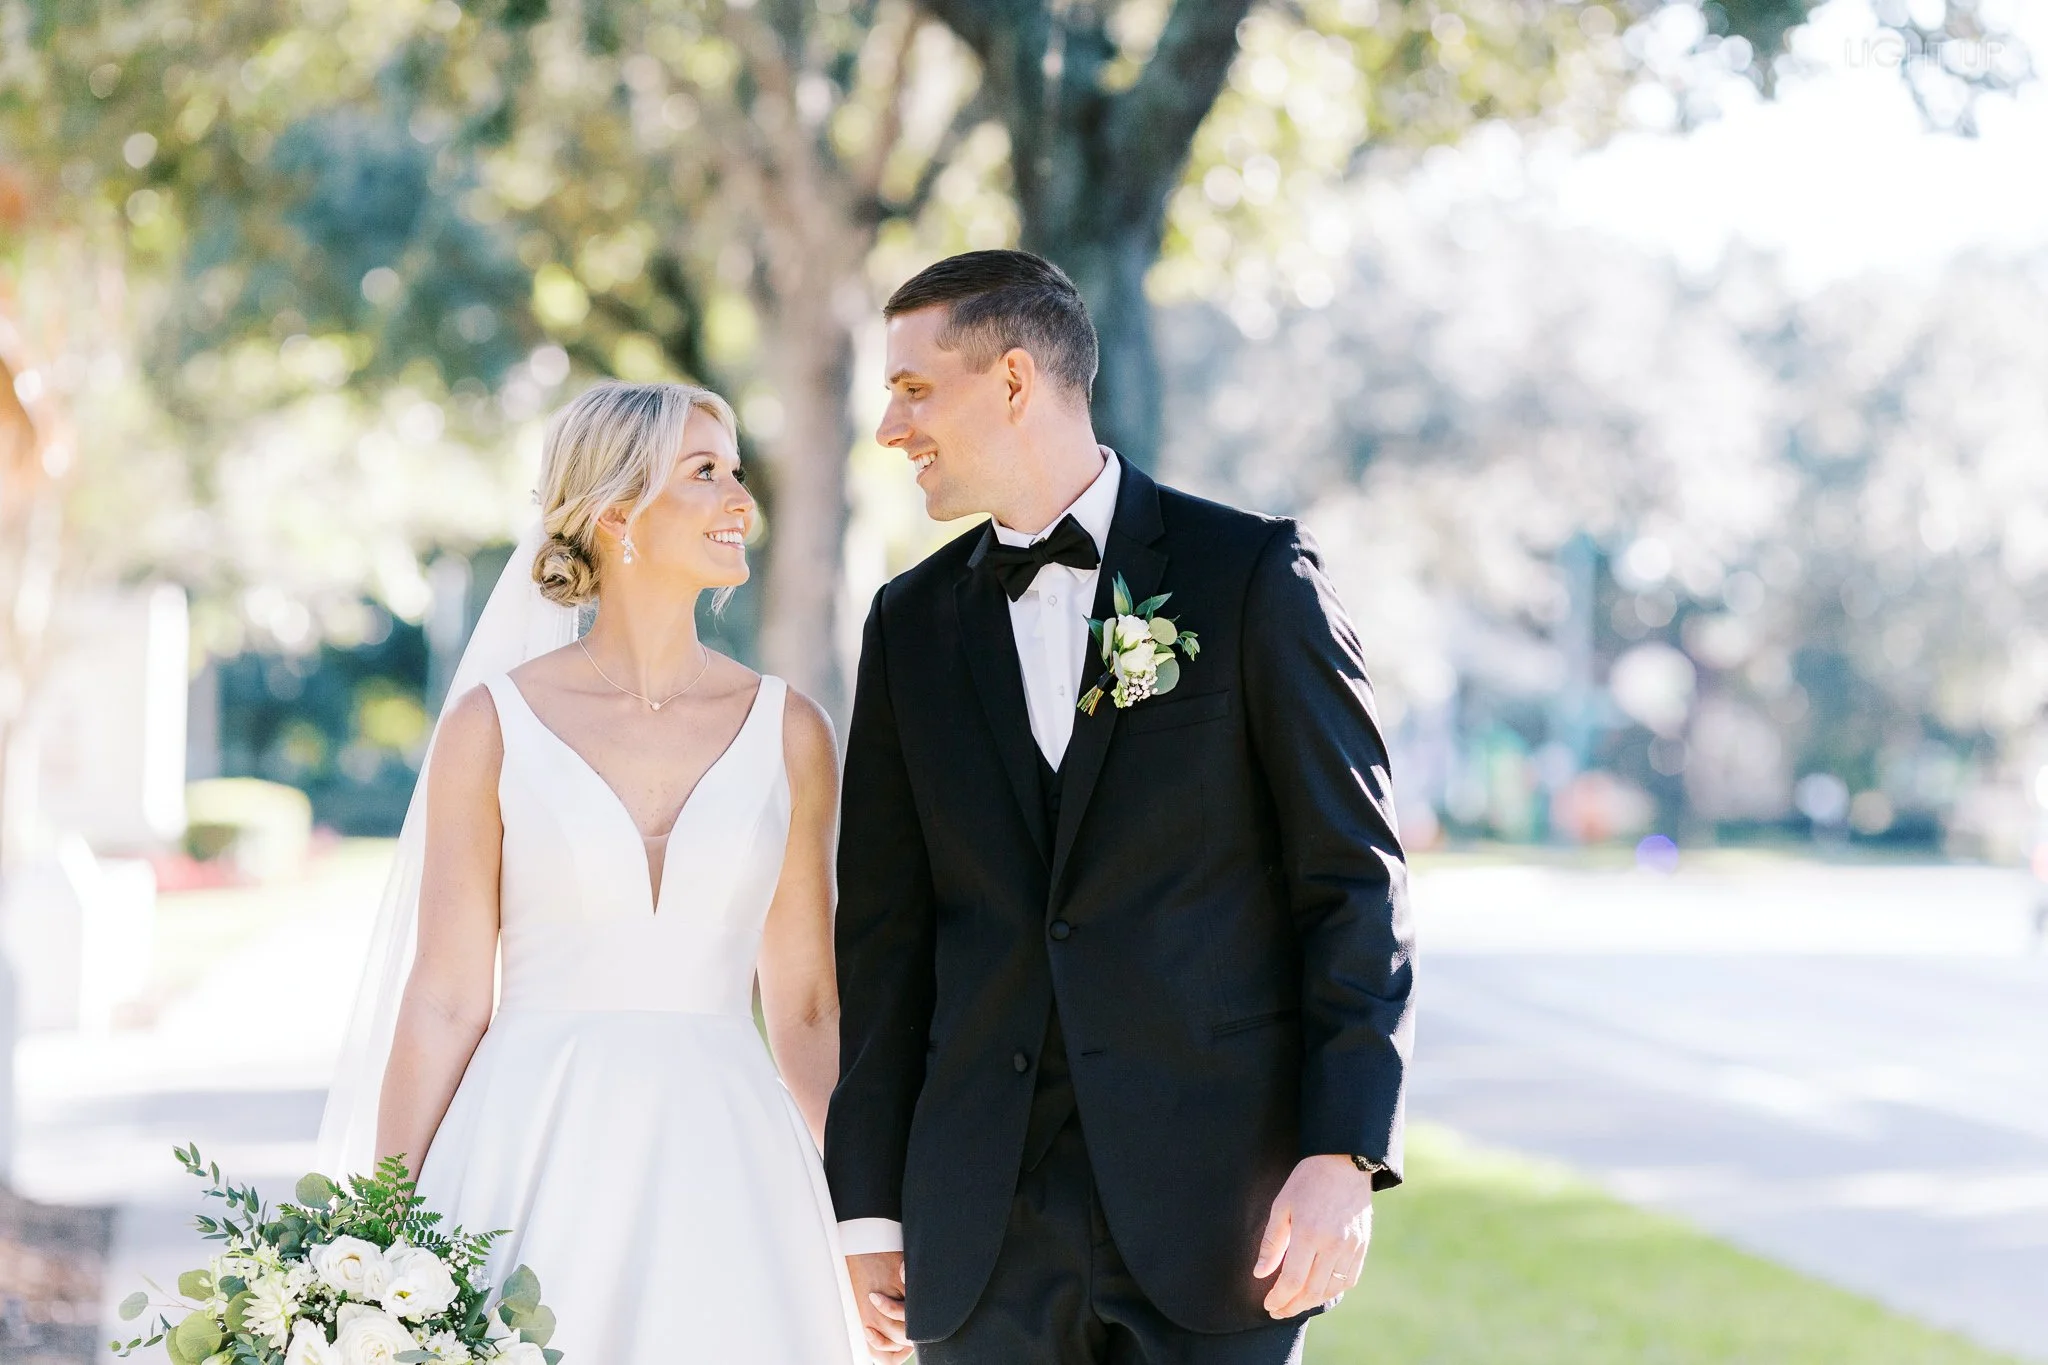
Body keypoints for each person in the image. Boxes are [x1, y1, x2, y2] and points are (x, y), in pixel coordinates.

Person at [825, 250, 1416, 1365]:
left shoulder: (1249, 574)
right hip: (980, 1225)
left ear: (1012, 381)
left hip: (1221, 1212)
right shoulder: (908, 625)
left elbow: (1352, 883)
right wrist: (866, 1209)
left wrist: (1344, 1151)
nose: (891, 428)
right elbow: (884, 939)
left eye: (912, 389)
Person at [317, 381, 866, 1363]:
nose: (741, 499)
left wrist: (864, 1219)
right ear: (616, 514)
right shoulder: (490, 726)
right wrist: (375, 1236)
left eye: (737, 472)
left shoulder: (792, 732)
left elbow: (809, 1011)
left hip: (730, 1167)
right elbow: (445, 997)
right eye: (705, 473)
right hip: (531, 1148)